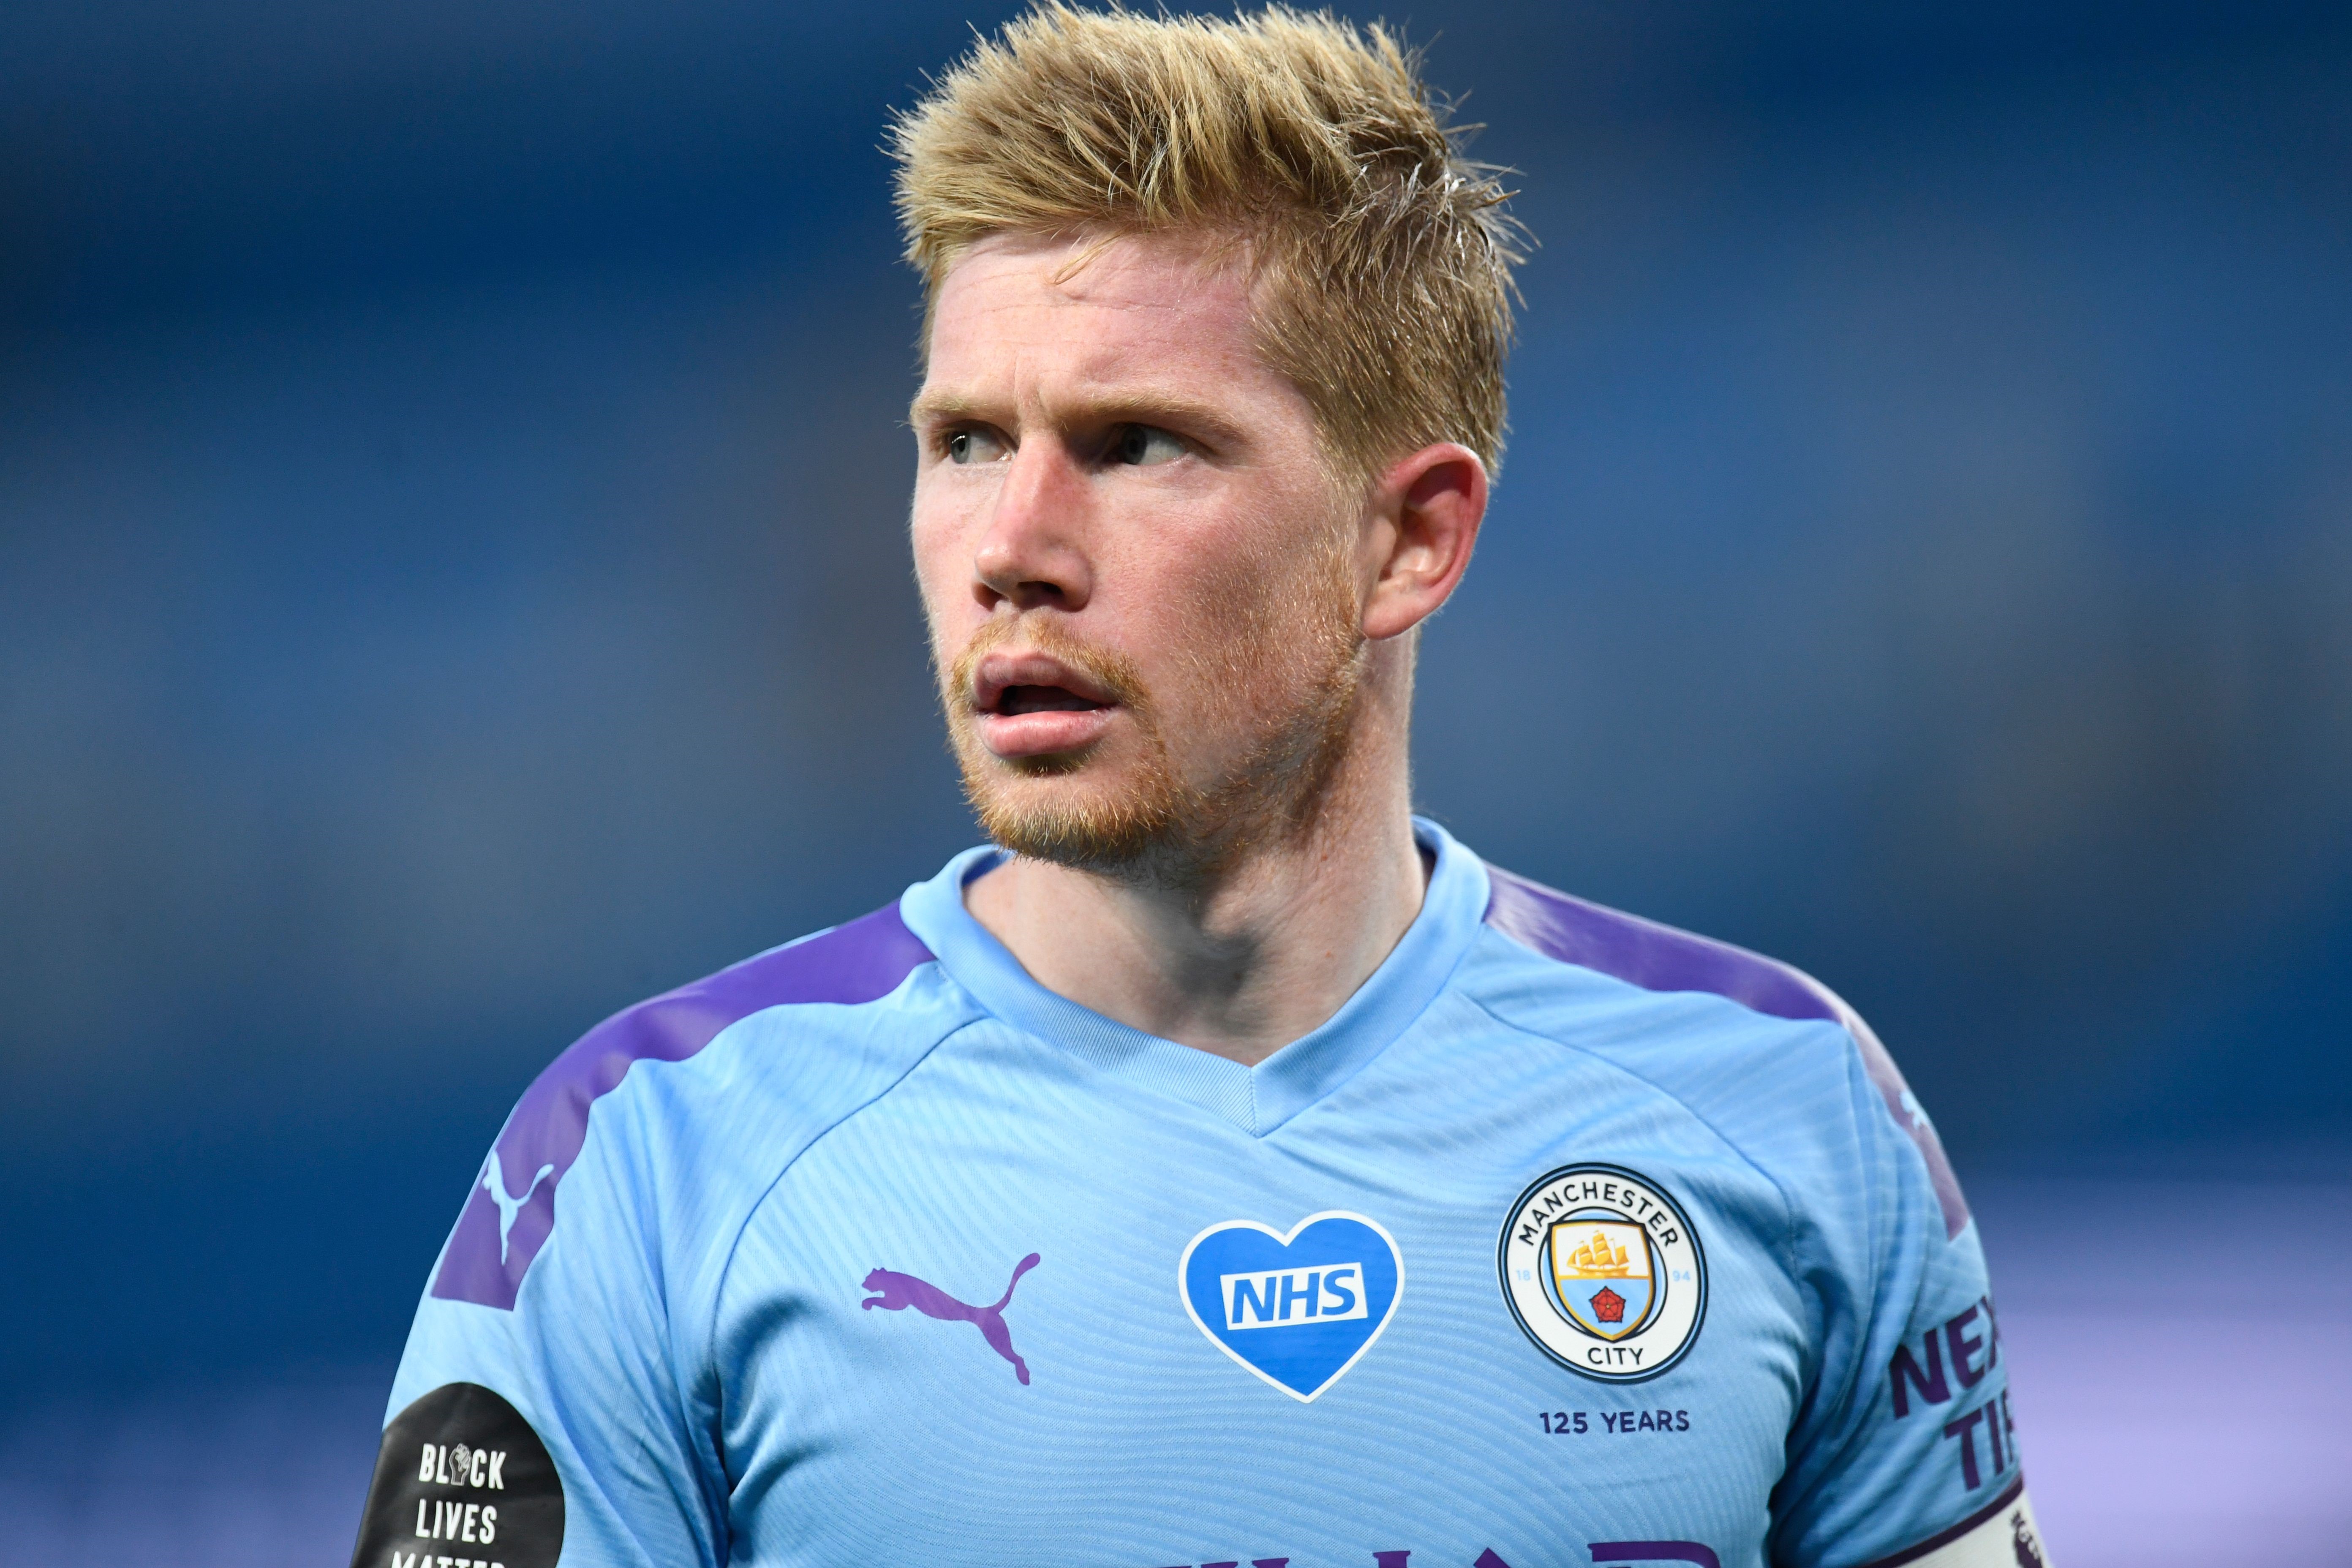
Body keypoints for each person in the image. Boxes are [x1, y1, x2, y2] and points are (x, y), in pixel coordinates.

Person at [348, 8, 2044, 1568]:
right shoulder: (645, 1169)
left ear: (1409, 537)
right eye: (964, 443)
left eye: (1140, 444)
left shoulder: (1785, 1106)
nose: (1012, 546)